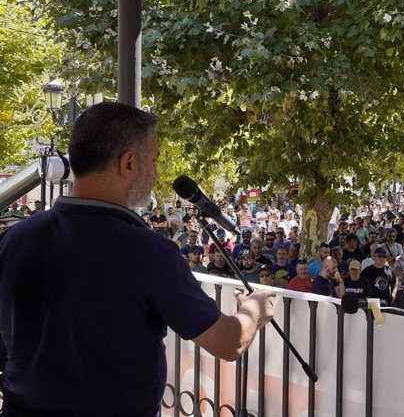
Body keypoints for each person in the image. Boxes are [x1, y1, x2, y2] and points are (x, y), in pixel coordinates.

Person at [0, 102, 274, 416]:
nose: (156, 173)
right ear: (128, 163)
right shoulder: (148, 252)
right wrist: (254, 310)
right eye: (154, 160)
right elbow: (228, 342)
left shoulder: (15, 238)